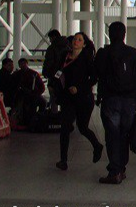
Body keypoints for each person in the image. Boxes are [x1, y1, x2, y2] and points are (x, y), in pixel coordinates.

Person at [95, 22, 136, 184]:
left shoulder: (104, 53)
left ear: (110, 34)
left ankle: (114, 171)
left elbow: (96, 73)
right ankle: (121, 168)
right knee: (124, 135)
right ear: (124, 34)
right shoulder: (133, 53)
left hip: (110, 100)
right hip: (130, 101)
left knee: (112, 136)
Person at [55, 32, 103, 171]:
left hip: (83, 98)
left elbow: (93, 78)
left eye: (79, 40)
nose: (76, 41)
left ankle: (97, 145)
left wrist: (79, 88)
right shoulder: (65, 56)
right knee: (65, 127)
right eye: (75, 39)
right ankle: (63, 160)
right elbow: (58, 72)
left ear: (84, 44)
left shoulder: (87, 58)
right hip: (67, 98)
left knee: (83, 128)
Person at [12, 58, 46, 126]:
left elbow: (42, 86)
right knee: (28, 104)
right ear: (19, 65)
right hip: (22, 95)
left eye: (24, 63)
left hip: (34, 94)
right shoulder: (17, 75)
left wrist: (37, 93)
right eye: (21, 64)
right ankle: (27, 120)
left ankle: (38, 117)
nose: (23, 65)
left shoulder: (34, 74)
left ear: (27, 64)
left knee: (43, 102)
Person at [42, 29, 70, 113]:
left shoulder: (52, 48)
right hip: (65, 76)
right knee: (65, 97)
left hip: (54, 77)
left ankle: (54, 116)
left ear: (53, 37)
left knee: (54, 97)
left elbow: (49, 63)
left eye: (50, 38)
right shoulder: (68, 46)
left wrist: (46, 73)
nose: (50, 40)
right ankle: (65, 117)